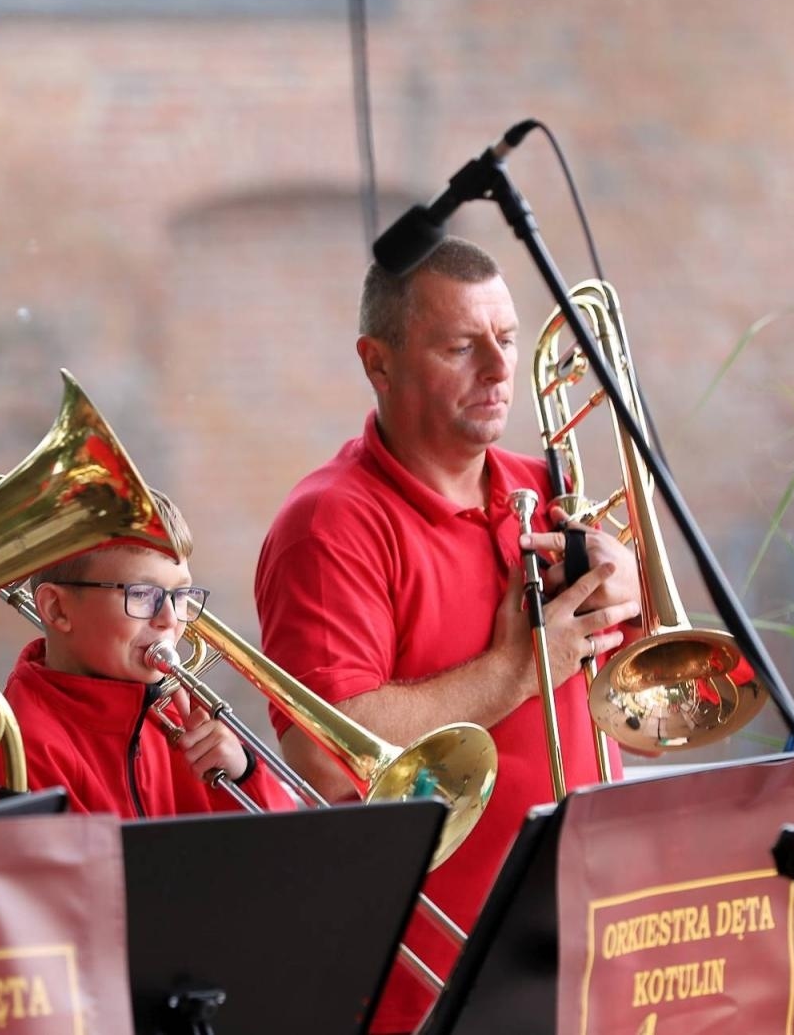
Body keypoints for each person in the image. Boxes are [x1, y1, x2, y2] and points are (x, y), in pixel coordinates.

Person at [254, 236, 644, 1033]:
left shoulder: (549, 489)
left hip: (590, 944)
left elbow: (635, 713)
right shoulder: (330, 524)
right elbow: (330, 754)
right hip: (432, 983)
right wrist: (515, 670)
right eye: (462, 347)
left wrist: (632, 605)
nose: (500, 374)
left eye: (505, 341)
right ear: (380, 362)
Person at [0, 490, 292, 817]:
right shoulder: (21, 749)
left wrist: (243, 774)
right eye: (143, 594)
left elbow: (292, 851)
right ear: (57, 608)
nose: (171, 619)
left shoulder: (181, 719)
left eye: (181, 594)